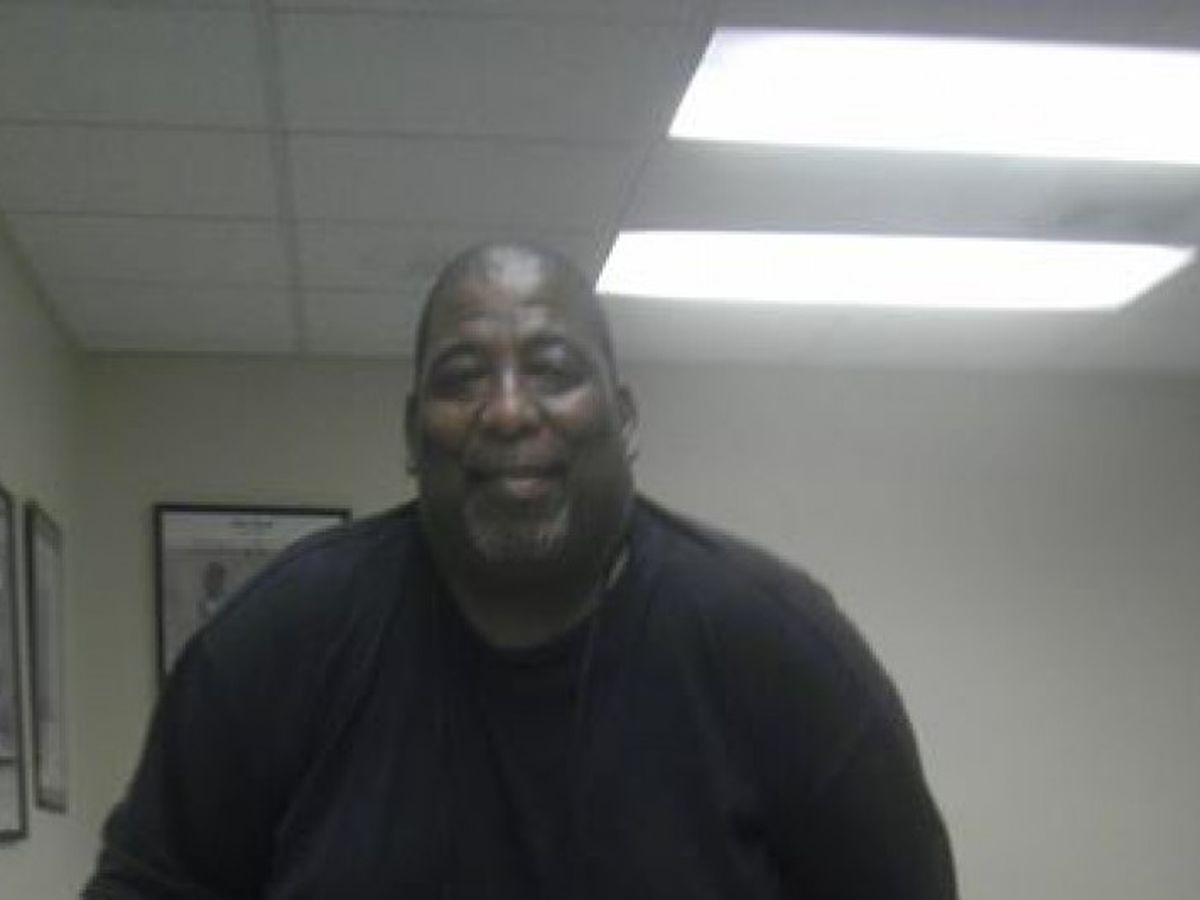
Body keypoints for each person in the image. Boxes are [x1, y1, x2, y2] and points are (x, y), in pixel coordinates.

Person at [84, 242, 956, 899]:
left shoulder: (781, 650)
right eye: (462, 378)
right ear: (412, 433)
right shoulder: (276, 641)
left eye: (553, 371)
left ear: (622, 418)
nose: (507, 410)